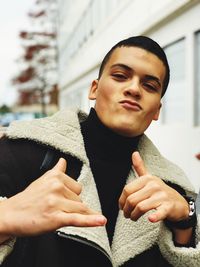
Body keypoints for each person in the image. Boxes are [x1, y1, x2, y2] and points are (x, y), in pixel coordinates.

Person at [0, 36, 199, 267]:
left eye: (150, 86)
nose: (134, 89)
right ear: (94, 89)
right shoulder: (22, 149)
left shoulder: (171, 186)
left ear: (157, 110)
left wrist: (185, 221)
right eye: (120, 76)